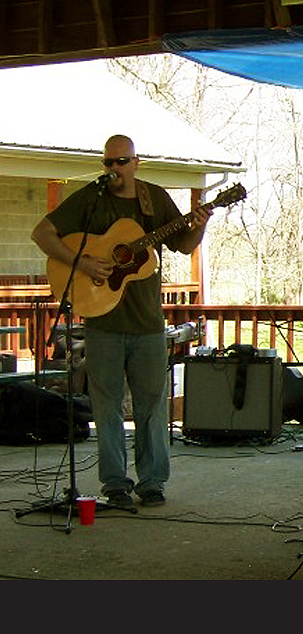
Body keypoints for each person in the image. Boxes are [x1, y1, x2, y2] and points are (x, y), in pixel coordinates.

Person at [31, 134, 213, 509]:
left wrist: (201, 222)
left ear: (136, 162)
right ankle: (114, 483)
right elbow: (42, 233)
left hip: (147, 323)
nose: (114, 169)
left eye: (122, 162)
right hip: (101, 320)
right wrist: (80, 263)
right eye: (108, 163)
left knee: (151, 407)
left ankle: (152, 483)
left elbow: (184, 243)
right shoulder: (91, 198)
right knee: (106, 406)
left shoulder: (154, 198)